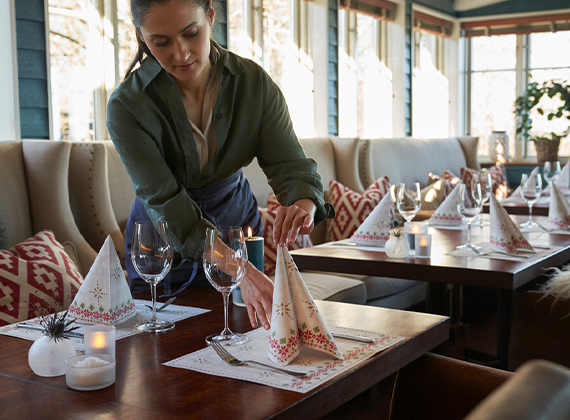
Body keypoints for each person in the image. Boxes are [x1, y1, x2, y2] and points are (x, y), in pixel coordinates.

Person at [107, 0, 334, 330]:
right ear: (142, 37)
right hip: (161, 248)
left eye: (191, 33)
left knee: (245, 348)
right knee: (168, 366)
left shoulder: (253, 84)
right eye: (161, 42)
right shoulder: (127, 106)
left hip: (237, 228)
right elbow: (167, 205)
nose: (181, 53)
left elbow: (291, 167)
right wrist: (241, 269)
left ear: (211, 16)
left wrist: (303, 207)